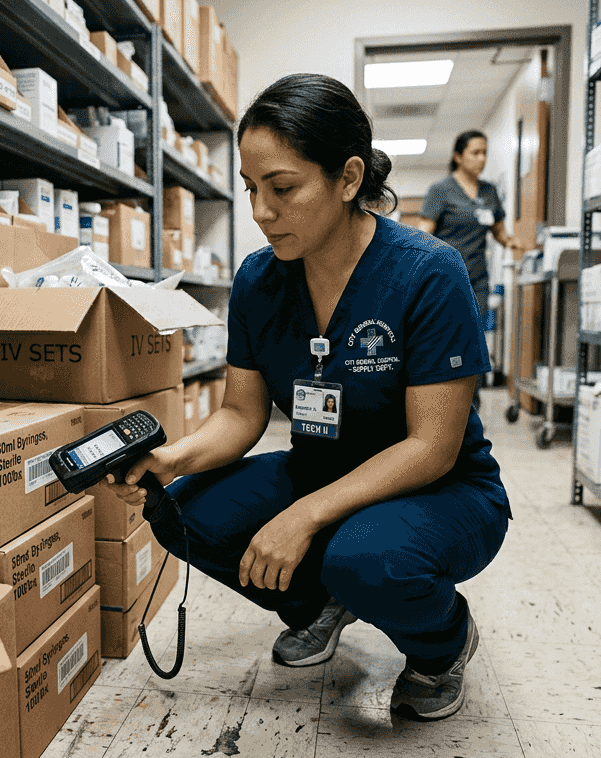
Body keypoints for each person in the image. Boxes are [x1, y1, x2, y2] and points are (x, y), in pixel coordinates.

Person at [103, 73, 511, 722]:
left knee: (365, 559)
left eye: (283, 188)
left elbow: (433, 447)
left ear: (348, 179)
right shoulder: (260, 279)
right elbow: (241, 413)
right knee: (182, 513)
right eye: (251, 190)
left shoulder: (428, 272)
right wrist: (174, 458)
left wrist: (305, 517)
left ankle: (444, 644)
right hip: (319, 469)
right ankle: (318, 604)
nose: (261, 211)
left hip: (442, 488)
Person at [421, 131, 522, 406]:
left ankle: (470, 405)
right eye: (475, 152)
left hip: (476, 278)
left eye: (485, 153)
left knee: (473, 340)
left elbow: (500, 231)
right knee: (445, 338)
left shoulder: (488, 191)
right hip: (444, 278)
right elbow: (425, 231)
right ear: (458, 156)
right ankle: (440, 401)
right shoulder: (441, 190)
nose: (482, 159)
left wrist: (514, 244)